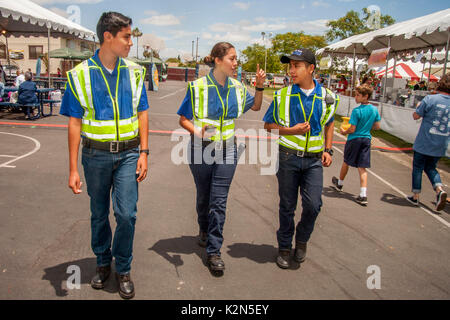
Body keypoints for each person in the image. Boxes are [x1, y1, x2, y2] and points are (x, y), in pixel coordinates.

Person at [60, 11, 149, 299]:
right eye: (126, 37)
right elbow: (74, 123)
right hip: (95, 156)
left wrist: (144, 152)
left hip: (128, 155)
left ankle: (123, 267)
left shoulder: (135, 72)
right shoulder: (80, 75)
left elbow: (142, 112)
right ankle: (102, 262)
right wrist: (72, 168)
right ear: (107, 37)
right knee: (98, 214)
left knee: (126, 215)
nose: (130, 43)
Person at [177, 42, 265, 274]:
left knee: (219, 200)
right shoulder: (196, 87)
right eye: (232, 58)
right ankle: (203, 229)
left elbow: (255, 106)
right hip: (200, 149)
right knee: (204, 197)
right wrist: (197, 131)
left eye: (237, 59)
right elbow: (183, 119)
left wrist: (260, 86)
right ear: (217, 60)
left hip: (227, 150)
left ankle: (214, 251)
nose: (236, 63)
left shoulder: (237, 87)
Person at [263, 48, 339, 269]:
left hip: (314, 161)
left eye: (297, 66)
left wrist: (328, 149)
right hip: (288, 158)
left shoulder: (328, 97)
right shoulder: (282, 95)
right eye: (290, 66)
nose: (292, 70)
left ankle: (302, 240)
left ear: (311, 68)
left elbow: (330, 122)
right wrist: (291, 130)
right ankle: (285, 247)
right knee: (287, 205)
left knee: (314, 205)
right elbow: (268, 127)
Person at [406, 73, 450, 211]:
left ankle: (416, 195)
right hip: (441, 141)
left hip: (425, 141)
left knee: (418, 167)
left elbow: (416, 115)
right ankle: (439, 189)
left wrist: (419, 105)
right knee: (431, 167)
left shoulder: (430, 99)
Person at [331, 85, 381, 205]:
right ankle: (363, 194)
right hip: (366, 139)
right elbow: (377, 126)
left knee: (346, 161)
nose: (355, 97)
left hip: (354, 139)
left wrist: (344, 131)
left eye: (358, 95)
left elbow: (352, 129)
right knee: (362, 167)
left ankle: (340, 183)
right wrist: (367, 127)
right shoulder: (374, 110)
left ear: (366, 96)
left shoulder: (357, 111)